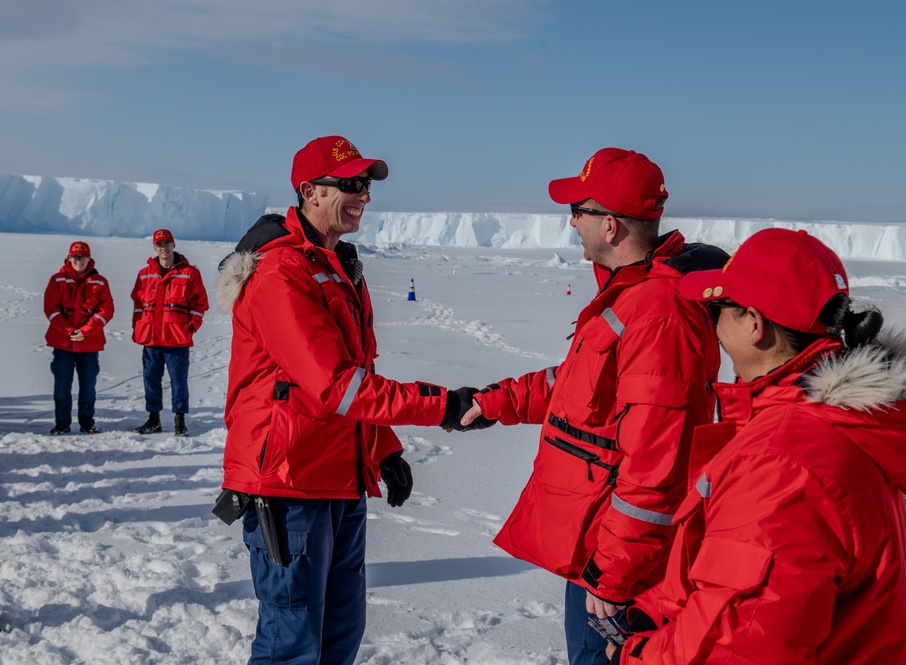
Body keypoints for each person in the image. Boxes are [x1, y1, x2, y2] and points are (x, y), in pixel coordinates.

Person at [607, 228, 906, 664]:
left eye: (717, 310)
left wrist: (635, 659)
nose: (714, 326)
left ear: (754, 324)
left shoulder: (782, 463)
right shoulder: (841, 420)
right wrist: (659, 608)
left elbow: (742, 646)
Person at [448, 148, 728, 665]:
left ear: (612, 226)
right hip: (596, 544)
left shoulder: (659, 314)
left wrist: (614, 573)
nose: (572, 222)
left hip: (622, 565)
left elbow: (655, 464)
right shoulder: (631, 295)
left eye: (578, 211)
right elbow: (578, 383)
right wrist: (495, 402)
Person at [216, 135, 466, 665]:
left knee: (339, 633)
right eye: (351, 185)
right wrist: (442, 406)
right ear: (309, 192)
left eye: (367, 185)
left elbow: (357, 376)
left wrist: (384, 449)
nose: (364, 196)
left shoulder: (333, 264)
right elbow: (337, 386)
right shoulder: (281, 273)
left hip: (340, 475)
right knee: (293, 640)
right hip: (289, 480)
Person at [130, 229, 209, 436]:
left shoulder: (190, 273)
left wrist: (191, 327)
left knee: (178, 381)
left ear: (173, 245)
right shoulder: (144, 274)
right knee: (150, 379)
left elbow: (200, 304)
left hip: (176, 339)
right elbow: (138, 304)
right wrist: (138, 325)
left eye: (167, 243)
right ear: (154, 247)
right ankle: (153, 419)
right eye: (159, 244)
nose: (163, 248)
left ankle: (180, 420)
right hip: (151, 337)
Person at [43, 240, 115, 435]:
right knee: (62, 388)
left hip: (89, 344)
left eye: (82, 257)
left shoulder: (100, 282)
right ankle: (62, 424)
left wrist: (86, 330)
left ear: (89, 259)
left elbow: (106, 309)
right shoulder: (57, 280)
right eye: (75, 257)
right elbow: (51, 308)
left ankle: (87, 423)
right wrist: (68, 331)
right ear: (69, 258)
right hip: (63, 343)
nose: (78, 261)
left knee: (88, 388)